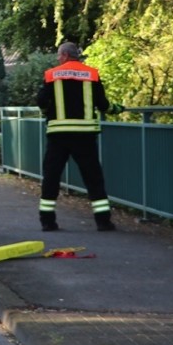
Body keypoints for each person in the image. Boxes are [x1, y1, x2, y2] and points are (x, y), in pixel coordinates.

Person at [36, 42, 116, 232]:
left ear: (64, 55)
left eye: (58, 55)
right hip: (84, 135)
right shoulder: (92, 74)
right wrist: (117, 109)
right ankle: (103, 221)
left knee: (51, 176)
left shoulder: (51, 75)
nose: (57, 59)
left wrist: (47, 111)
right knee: (93, 178)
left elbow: (40, 100)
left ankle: (47, 221)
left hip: (58, 135)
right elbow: (103, 104)